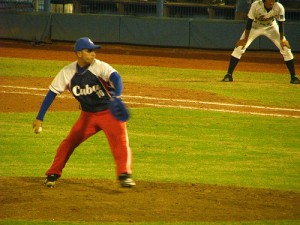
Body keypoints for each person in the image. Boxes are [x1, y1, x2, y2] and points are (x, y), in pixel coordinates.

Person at [32, 37, 136, 188]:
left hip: (109, 113)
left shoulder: (99, 66)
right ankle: (53, 174)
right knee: (69, 142)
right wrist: (39, 117)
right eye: (89, 51)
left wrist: (118, 95)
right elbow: (51, 93)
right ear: (79, 53)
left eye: (94, 50)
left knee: (120, 142)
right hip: (87, 116)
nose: (93, 54)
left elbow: (116, 78)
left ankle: (124, 175)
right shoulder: (67, 72)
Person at [222, 0, 300, 84]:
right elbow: (249, 22)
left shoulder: (279, 7)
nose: (271, 2)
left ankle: (294, 77)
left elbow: (281, 24)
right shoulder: (255, 5)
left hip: (271, 27)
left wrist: (282, 40)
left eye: (273, 0)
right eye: (269, 0)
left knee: (285, 48)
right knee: (240, 47)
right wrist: (244, 40)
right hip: (255, 26)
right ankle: (229, 75)